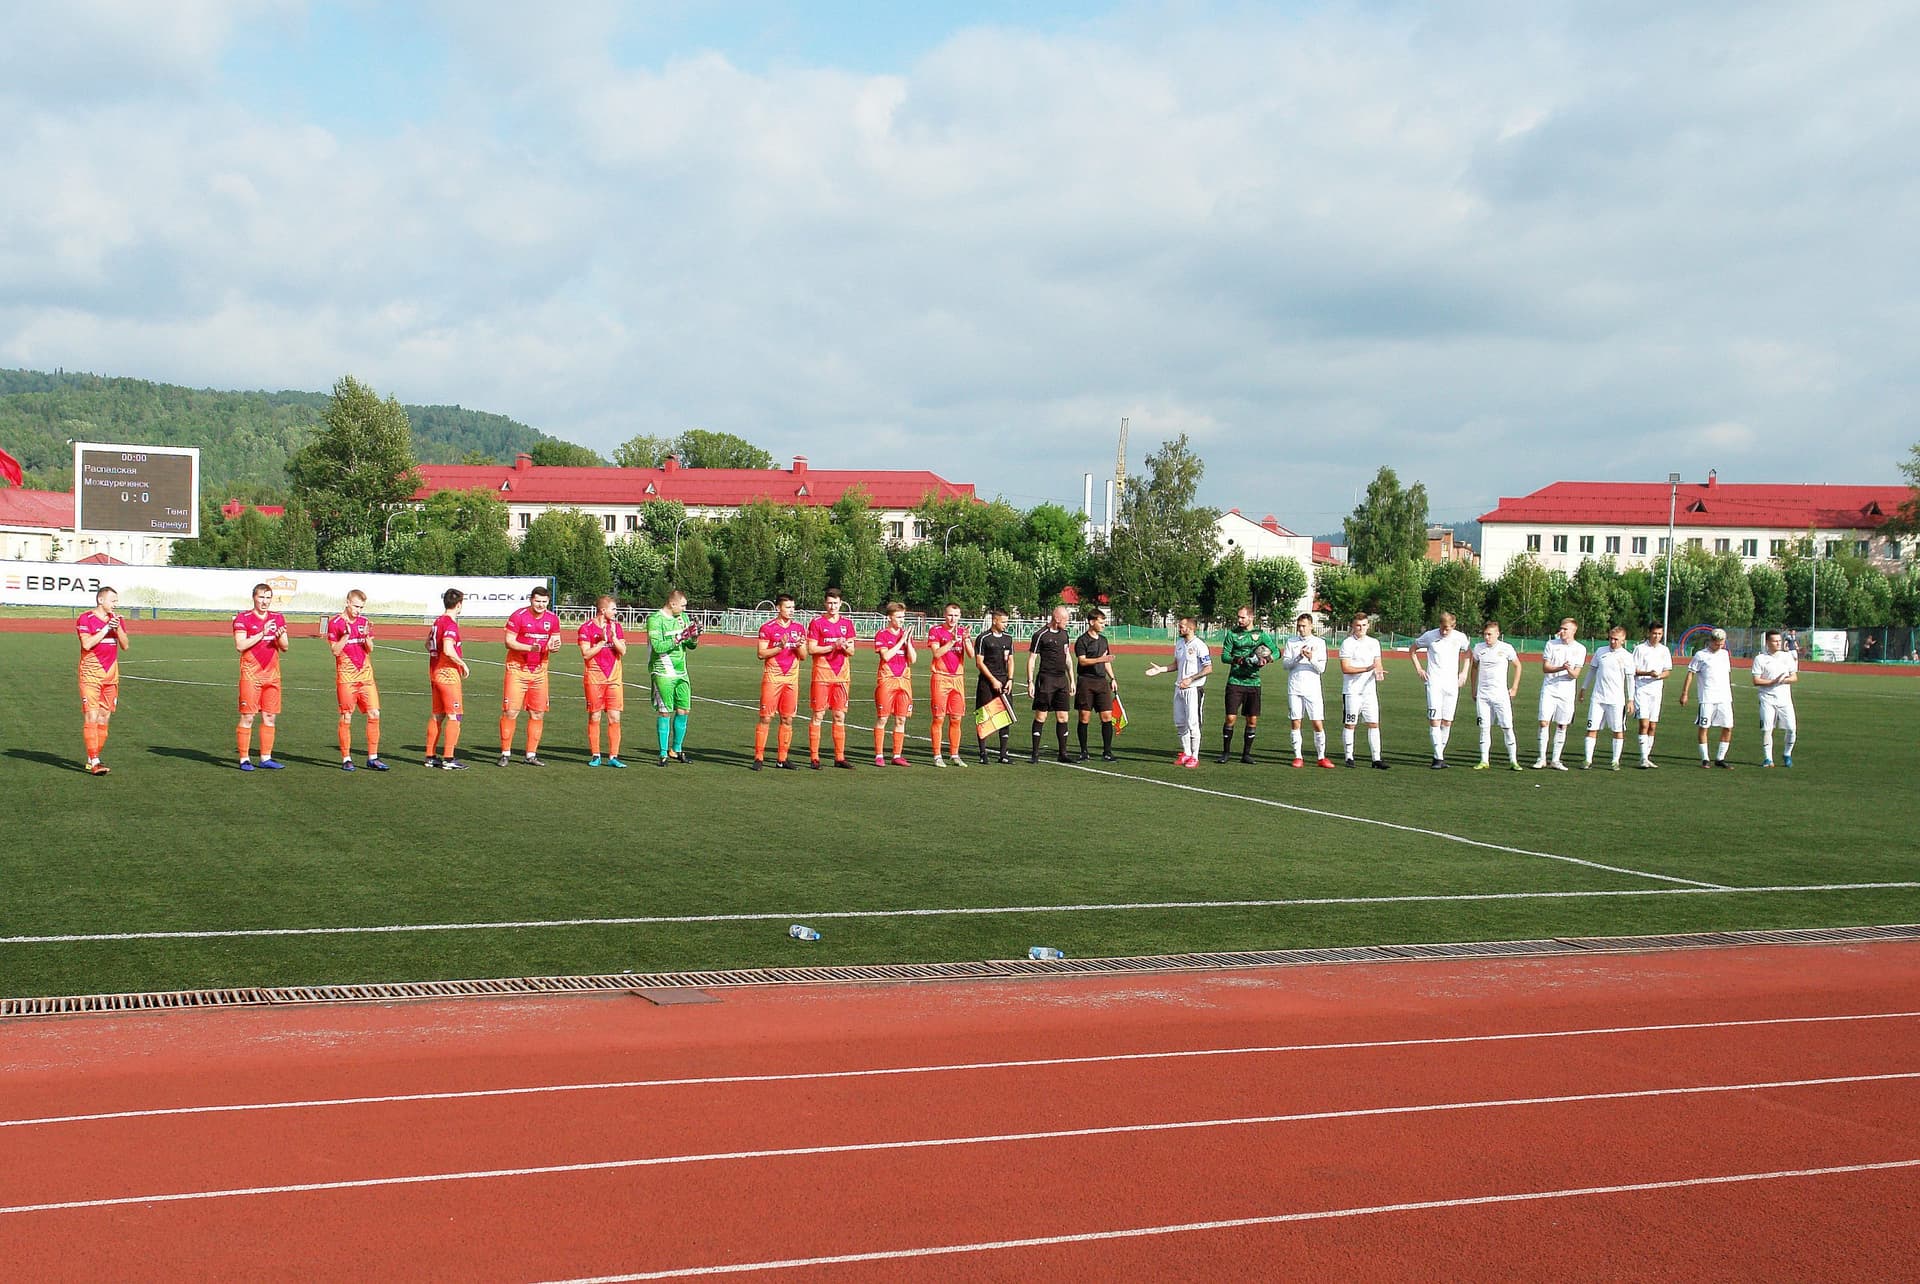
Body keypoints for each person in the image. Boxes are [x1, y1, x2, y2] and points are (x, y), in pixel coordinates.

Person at [499, 586, 561, 767]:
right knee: (511, 711)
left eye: (544, 601)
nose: (541, 605)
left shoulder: (553, 619)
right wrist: (530, 648)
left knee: (537, 712)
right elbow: (508, 641)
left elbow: (555, 640)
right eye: (537, 601)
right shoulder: (518, 616)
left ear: (548, 601)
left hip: (540, 670)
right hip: (517, 668)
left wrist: (555, 646)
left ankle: (531, 754)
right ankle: (505, 753)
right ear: (531, 600)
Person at [327, 589, 387, 772]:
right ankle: (346, 758)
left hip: (366, 677)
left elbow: (370, 649)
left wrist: (367, 637)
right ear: (347, 602)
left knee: (374, 714)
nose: (358, 610)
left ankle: (373, 757)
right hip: (347, 678)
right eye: (356, 606)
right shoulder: (335, 623)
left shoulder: (364, 622)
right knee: (346, 716)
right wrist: (346, 635)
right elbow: (335, 651)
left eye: (361, 607)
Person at [233, 582, 290, 771]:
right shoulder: (243, 618)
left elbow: (285, 647)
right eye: (261, 597)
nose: (265, 602)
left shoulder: (277, 618)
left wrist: (279, 636)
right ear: (254, 598)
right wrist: (262, 633)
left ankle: (266, 757)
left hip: (272, 676)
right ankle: (244, 759)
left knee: (270, 717)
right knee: (248, 717)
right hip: (251, 675)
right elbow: (240, 645)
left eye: (268, 598)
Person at [75, 586, 128, 776]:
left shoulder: (118, 620)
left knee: (104, 717)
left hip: (111, 675)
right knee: (91, 715)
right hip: (90, 674)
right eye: (113, 600)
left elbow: (125, 646)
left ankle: (92, 758)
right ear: (100, 600)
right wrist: (106, 628)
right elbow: (87, 644)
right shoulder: (85, 618)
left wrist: (117, 628)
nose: (116, 604)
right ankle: (95, 760)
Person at [1144, 615, 1210, 766]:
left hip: (1193, 689)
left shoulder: (1200, 645)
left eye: (1182, 626)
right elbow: (1176, 664)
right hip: (1179, 687)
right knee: (1180, 722)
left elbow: (1208, 668)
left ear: (1191, 628)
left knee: (1193, 723)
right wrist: (1161, 669)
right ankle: (1186, 753)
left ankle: (1195, 756)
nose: (1179, 629)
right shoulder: (1180, 643)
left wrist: (1191, 679)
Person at [1217, 605, 1280, 763]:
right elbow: (1224, 656)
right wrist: (1238, 660)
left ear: (1251, 618)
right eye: (1238, 617)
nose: (1239, 620)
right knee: (1231, 718)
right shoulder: (1232, 634)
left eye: (1242, 617)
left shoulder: (1260, 635)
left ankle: (1246, 754)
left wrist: (1267, 659)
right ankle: (1226, 753)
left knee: (1252, 720)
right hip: (1235, 681)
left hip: (1253, 682)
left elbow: (1277, 651)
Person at [1411, 611, 1472, 769]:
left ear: (1454, 626)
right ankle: (1438, 758)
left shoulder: (1460, 637)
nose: (1444, 632)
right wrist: (1419, 669)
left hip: (1452, 684)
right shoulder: (1430, 636)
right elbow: (1413, 649)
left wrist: (1464, 673)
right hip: (1434, 684)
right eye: (1442, 628)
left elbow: (1468, 653)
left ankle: (1439, 756)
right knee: (1435, 720)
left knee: (1447, 722)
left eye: (1448, 629)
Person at [752, 593, 805, 770]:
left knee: (787, 719)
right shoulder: (767, 628)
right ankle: (759, 757)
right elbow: (761, 654)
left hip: (791, 679)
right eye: (788, 607)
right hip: (773, 677)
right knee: (766, 717)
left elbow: (804, 656)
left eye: (793, 607)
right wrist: (780, 647)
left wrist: (798, 646)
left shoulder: (798, 628)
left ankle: (782, 758)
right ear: (778, 608)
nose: (791, 610)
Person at [806, 587, 857, 769]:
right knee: (818, 714)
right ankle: (814, 757)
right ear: (824, 603)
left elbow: (851, 650)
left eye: (835, 603)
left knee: (839, 715)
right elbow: (812, 649)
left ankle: (839, 757)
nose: (832, 606)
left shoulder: (847, 624)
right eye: (829, 603)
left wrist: (843, 646)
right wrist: (833, 646)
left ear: (841, 604)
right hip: (822, 674)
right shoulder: (817, 622)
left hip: (842, 676)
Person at [647, 589, 699, 765]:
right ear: (673, 603)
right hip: (663, 672)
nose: (685, 609)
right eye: (683, 605)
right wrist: (679, 637)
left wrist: (694, 636)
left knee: (684, 710)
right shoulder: (655, 620)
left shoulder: (682, 618)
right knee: (665, 711)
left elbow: (690, 645)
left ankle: (676, 750)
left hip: (681, 672)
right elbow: (658, 647)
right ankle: (662, 753)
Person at [578, 594, 628, 767]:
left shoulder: (616, 627)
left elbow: (623, 651)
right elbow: (586, 654)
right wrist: (601, 643)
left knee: (615, 717)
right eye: (613, 609)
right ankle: (596, 755)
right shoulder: (586, 628)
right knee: (595, 715)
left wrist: (613, 638)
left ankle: (613, 756)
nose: (616, 612)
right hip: (594, 677)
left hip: (614, 678)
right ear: (603, 610)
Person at [425, 588, 471, 769]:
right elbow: (448, 649)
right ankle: (449, 759)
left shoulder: (437, 622)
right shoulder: (450, 624)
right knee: (455, 715)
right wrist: (462, 663)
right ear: (459, 605)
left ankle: (430, 756)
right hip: (447, 674)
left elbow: (428, 644)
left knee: (438, 714)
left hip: (434, 671)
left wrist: (435, 654)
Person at [1580, 625, 1637, 771]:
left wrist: (1630, 699)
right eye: (1611, 638)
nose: (1613, 642)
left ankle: (1615, 760)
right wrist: (1584, 688)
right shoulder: (1600, 651)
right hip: (1598, 698)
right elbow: (1592, 670)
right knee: (1591, 728)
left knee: (1618, 730)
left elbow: (1630, 679)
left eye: (1616, 639)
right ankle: (1587, 760)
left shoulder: (1627, 657)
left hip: (1616, 700)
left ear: (1623, 640)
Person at [1282, 612, 1334, 768]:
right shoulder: (1291, 642)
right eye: (1299, 626)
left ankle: (1321, 756)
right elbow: (1285, 665)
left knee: (1317, 722)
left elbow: (1321, 669)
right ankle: (1298, 756)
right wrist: (1298, 657)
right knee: (1296, 720)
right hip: (1295, 687)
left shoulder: (1319, 643)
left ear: (1311, 626)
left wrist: (1311, 658)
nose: (1301, 629)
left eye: (1304, 626)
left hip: (1312, 689)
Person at [1469, 621, 1523, 771]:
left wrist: (1514, 687)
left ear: (1497, 634)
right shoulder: (1479, 648)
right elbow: (1474, 668)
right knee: (1484, 727)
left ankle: (1513, 760)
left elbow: (1518, 665)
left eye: (1490, 634)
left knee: (1507, 726)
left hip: (1500, 695)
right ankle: (1484, 760)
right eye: (1485, 634)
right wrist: (1473, 689)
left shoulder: (1506, 648)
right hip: (1483, 695)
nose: (1487, 637)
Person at [1338, 612, 1389, 769]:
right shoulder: (1347, 643)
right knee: (1350, 724)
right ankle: (1349, 757)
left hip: (1369, 692)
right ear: (1353, 626)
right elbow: (1346, 668)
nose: (1361, 628)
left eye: (1364, 625)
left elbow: (1377, 663)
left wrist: (1379, 672)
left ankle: (1376, 759)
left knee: (1374, 724)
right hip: (1352, 691)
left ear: (1368, 625)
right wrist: (1367, 668)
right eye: (1358, 625)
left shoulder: (1374, 643)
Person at [1534, 618, 1586, 771]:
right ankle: (1541, 758)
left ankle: (1556, 759)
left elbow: (1576, 674)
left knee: (1562, 725)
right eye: (1561, 628)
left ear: (1573, 631)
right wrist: (1561, 668)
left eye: (1565, 629)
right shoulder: (1551, 644)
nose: (1562, 631)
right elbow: (1545, 668)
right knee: (1544, 722)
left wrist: (1568, 670)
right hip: (1550, 688)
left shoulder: (1580, 649)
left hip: (1567, 693)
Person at [1026, 603, 1076, 763]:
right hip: (1046, 679)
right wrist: (1030, 681)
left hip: (1061, 680)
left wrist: (1072, 679)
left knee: (1063, 716)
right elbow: (1032, 659)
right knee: (1041, 715)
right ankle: (1035, 754)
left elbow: (1068, 657)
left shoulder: (1065, 635)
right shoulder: (1041, 634)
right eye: (1066, 619)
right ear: (1057, 618)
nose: (1067, 622)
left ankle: (1063, 753)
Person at [1679, 627, 1735, 769]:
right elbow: (1691, 673)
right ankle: (1705, 758)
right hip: (1707, 697)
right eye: (1717, 643)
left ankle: (1720, 758)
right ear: (1711, 641)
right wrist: (1685, 693)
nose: (1720, 646)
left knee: (1728, 727)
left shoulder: (1724, 654)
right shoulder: (1700, 655)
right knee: (1704, 727)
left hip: (1724, 698)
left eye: (1722, 643)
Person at [927, 603, 974, 767]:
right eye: (950, 615)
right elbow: (936, 653)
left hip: (958, 679)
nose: (953, 618)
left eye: (956, 615)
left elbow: (971, 654)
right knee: (939, 718)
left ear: (960, 616)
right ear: (944, 615)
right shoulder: (936, 631)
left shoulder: (962, 632)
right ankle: (937, 755)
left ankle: (954, 754)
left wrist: (966, 639)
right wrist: (952, 642)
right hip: (941, 678)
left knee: (956, 718)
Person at [872, 602, 916, 765]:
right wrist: (900, 641)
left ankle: (897, 755)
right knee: (883, 718)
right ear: (889, 618)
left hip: (904, 681)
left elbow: (913, 659)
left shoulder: (905, 634)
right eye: (898, 617)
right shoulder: (882, 635)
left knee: (901, 719)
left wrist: (908, 642)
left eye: (903, 617)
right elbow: (887, 656)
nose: (901, 620)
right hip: (887, 680)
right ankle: (879, 755)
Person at [1073, 608, 1118, 762]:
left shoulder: (1104, 640)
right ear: (1092, 622)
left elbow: (1106, 663)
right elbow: (1082, 661)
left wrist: (1113, 678)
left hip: (1101, 682)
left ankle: (1107, 751)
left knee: (1107, 716)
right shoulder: (1082, 640)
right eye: (1101, 622)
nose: (1103, 625)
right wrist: (1100, 659)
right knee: (1084, 717)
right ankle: (1084, 751)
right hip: (1086, 681)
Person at [974, 609, 1016, 764]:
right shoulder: (983, 638)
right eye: (1003, 622)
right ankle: (983, 752)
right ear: (994, 621)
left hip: (1004, 681)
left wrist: (1010, 679)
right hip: (987, 682)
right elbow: (979, 662)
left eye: (1007, 621)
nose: (1006, 625)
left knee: (1005, 715)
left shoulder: (1008, 639)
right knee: (983, 715)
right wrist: (992, 680)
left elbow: (1011, 660)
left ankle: (1003, 754)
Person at [1752, 629, 1799, 767]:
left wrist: (1783, 680)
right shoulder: (1760, 658)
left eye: (1779, 640)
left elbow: (1795, 677)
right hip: (1767, 698)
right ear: (1767, 642)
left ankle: (1787, 754)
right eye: (1775, 641)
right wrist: (1772, 682)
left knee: (1791, 728)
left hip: (1784, 699)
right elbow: (1756, 680)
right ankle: (1768, 758)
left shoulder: (1787, 657)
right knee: (1767, 729)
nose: (1778, 643)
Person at [1632, 624, 1674, 769]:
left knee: (1652, 726)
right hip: (1641, 690)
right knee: (1644, 724)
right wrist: (1648, 673)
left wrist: (1659, 675)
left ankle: (1647, 756)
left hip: (1656, 692)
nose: (1657, 636)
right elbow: (1633, 670)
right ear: (1649, 633)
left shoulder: (1664, 650)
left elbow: (1667, 671)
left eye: (1660, 634)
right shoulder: (1640, 649)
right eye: (1654, 633)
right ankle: (1643, 758)